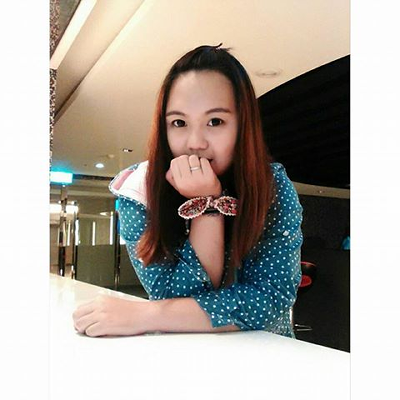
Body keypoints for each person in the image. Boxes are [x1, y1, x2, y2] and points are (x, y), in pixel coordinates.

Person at [72, 44, 303, 338]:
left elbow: (269, 299)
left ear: (243, 126)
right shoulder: (139, 191)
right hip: (182, 354)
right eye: (179, 122)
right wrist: (205, 206)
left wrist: (145, 314)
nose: (195, 143)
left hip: (269, 355)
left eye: (215, 121)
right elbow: (175, 297)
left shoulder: (270, 186)